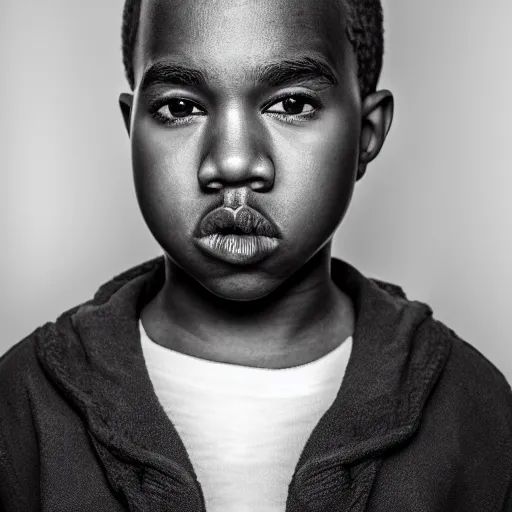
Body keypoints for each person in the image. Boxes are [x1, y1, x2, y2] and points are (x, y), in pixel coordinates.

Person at [1, 0, 511, 510]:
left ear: (367, 132)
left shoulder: (475, 411)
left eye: (291, 105)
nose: (233, 161)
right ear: (132, 127)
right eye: (180, 108)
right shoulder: (20, 407)